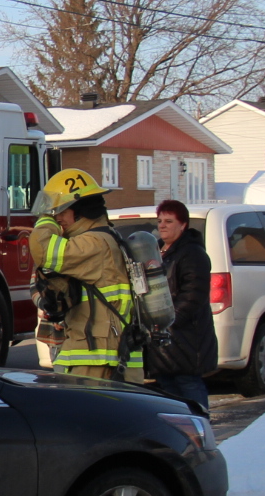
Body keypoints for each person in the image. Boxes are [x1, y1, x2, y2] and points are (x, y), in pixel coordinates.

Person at [28, 168, 140, 382]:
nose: (58, 217)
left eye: (62, 211)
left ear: (82, 210)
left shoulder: (94, 243)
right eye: (55, 212)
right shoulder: (105, 237)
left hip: (97, 361)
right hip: (104, 357)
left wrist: (45, 219)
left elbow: (42, 248)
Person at [147, 198, 217, 412]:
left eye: (169, 221)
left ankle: (199, 426)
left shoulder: (192, 253)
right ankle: (180, 429)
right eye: (160, 221)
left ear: (183, 224)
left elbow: (194, 294)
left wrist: (169, 319)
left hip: (186, 336)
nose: (162, 226)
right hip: (161, 338)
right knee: (168, 388)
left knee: (188, 385)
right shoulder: (155, 252)